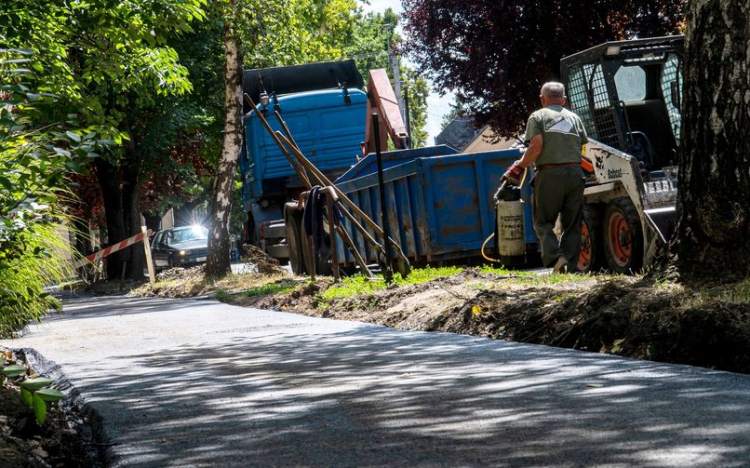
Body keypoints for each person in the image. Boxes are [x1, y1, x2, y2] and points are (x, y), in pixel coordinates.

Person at [502, 82, 588, 273]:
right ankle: (569, 269)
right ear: (563, 99)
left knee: (543, 222)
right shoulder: (575, 118)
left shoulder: (538, 116)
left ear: (542, 99)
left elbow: (536, 148)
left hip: (549, 174)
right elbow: (582, 148)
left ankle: (556, 259)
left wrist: (518, 167)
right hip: (576, 174)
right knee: (573, 224)